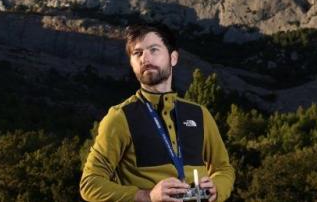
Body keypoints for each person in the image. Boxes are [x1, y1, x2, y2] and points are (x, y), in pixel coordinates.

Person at [80, 23, 235, 202]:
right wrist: (146, 196)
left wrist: (217, 188)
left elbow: (224, 169)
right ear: (131, 63)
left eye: (154, 50)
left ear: (173, 58)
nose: (145, 58)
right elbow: (90, 183)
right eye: (137, 53)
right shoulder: (120, 117)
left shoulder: (200, 114)